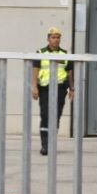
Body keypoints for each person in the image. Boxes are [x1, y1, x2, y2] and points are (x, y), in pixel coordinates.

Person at [31, 26, 70, 155]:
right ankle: (45, 145)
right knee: (45, 115)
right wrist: (34, 86)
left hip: (60, 88)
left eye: (58, 37)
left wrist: (72, 88)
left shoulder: (65, 54)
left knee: (56, 116)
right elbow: (35, 70)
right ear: (48, 39)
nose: (56, 40)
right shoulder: (40, 52)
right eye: (53, 37)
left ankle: (52, 144)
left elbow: (69, 72)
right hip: (45, 88)